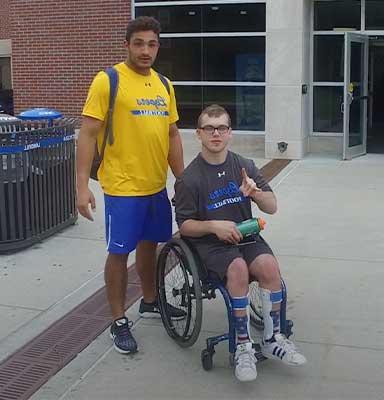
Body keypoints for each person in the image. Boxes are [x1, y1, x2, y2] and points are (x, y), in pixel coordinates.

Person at [76, 16, 185, 355]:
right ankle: (118, 318)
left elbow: (172, 134)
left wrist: (182, 180)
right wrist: (81, 186)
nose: (145, 50)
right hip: (122, 188)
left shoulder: (164, 85)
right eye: (138, 43)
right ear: (127, 44)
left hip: (155, 185)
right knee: (119, 252)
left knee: (150, 247)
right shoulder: (108, 80)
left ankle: (150, 301)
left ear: (158, 46)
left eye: (151, 44)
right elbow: (88, 133)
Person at [174, 104, 306, 382]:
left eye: (222, 127)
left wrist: (257, 193)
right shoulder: (189, 179)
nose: (216, 133)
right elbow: (184, 225)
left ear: (230, 133)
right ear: (198, 134)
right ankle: (244, 346)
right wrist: (213, 226)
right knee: (237, 270)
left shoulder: (243, 166)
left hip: (245, 237)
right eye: (209, 128)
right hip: (211, 245)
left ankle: (272, 339)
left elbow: (272, 207)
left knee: (269, 267)